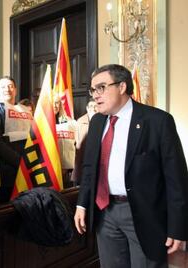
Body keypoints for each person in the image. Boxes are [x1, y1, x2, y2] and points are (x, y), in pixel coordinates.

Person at [74, 64, 188, 267]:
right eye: (93, 90)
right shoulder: (97, 122)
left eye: (101, 87)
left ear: (122, 86)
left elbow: (176, 179)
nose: (95, 95)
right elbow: (90, 168)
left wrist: (178, 227)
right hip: (104, 211)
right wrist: (82, 204)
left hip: (144, 213)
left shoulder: (157, 121)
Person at [0, 76, 33, 202]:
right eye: (3, 87)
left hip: (26, 169)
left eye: (10, 86)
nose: (7, 89)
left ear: (15, 90)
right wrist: (19, 161)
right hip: (7, 172)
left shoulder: (25, 111)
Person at [71, 99, 97, 184]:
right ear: (87, 108)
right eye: (90, 106)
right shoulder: (80, 122)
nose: (92, 109)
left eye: (95, 106)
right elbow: (76, 143)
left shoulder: (103, 119)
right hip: (83, 159)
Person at [53, 94, 77, 187]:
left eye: (57, 103)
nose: (55, 106)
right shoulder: (40, 121)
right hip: (49, 167)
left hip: (66, 169)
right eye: (52, 103)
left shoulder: (69, 122)